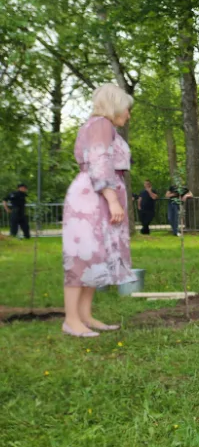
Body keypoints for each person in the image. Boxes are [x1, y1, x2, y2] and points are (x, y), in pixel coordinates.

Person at [61, 83, 136, 337]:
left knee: (95, 256)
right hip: (93, 197)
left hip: (98, 194)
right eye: (127, 108)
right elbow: (99, 159)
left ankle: (85, 316)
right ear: (115, 105)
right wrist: (112, 198)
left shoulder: (101, 127)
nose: (128, 114)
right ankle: (71, 320)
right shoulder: (101, 125)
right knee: (83, 256)